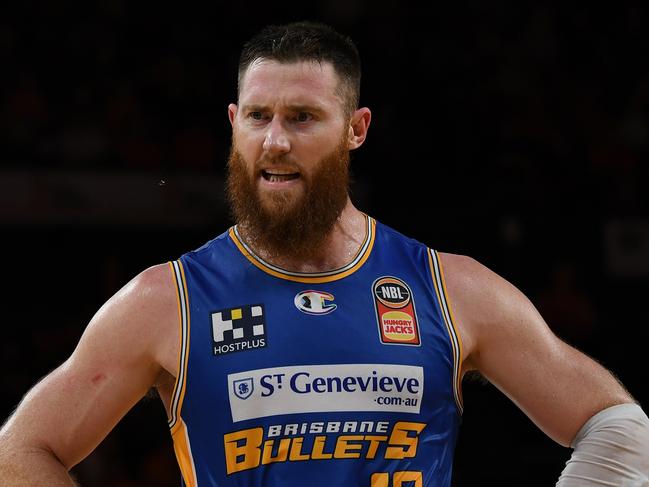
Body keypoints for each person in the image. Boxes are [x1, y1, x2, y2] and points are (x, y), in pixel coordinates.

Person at [1, 21, 647, 487]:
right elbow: (19, 452)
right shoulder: (164, 300)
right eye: (257, 116)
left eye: (303, 117)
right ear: (233, 122)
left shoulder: (450, 287)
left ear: (356, 128)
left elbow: (617, 426)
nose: (274, 141)